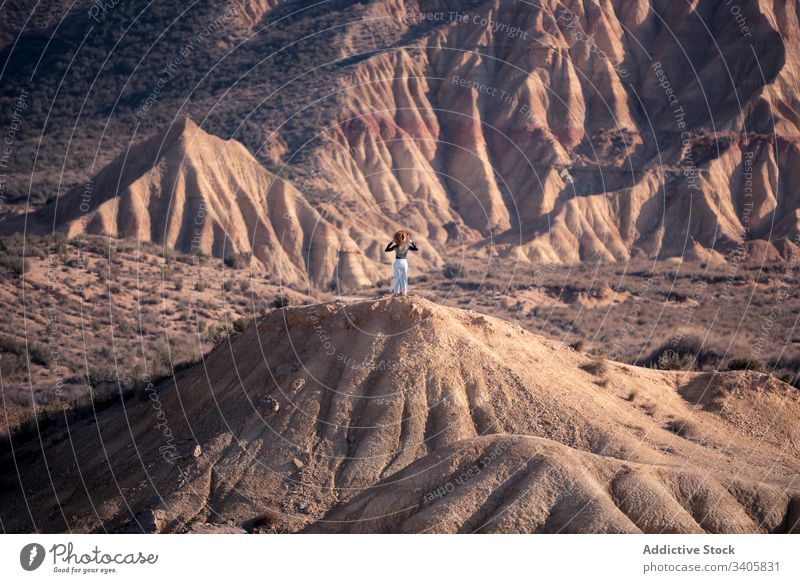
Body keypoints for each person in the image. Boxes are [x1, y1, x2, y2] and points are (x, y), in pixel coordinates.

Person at [385, 230, 418, 295]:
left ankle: (396, 293)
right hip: (404, 262)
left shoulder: (395, 246)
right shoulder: (407, 246)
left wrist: (391, 242)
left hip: (397, 262)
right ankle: (404, 293)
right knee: (404, 278)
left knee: (396, 277)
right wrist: (410, 241)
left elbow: (387, 250)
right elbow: (415, 249)